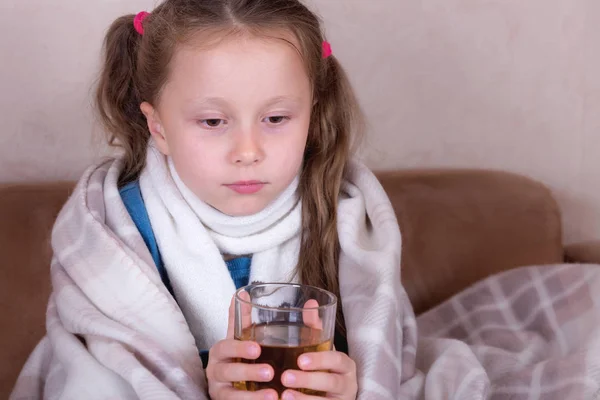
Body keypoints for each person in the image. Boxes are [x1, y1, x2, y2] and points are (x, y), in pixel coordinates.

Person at [13, 1, 407, 399]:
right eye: (214, 122)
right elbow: (105, 375)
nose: (248, 151)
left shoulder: (346, 220)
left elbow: (380, 358)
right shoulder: (118, 231)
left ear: (311, 114)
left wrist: (344, 387)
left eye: (276, 119)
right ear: (158, 126)